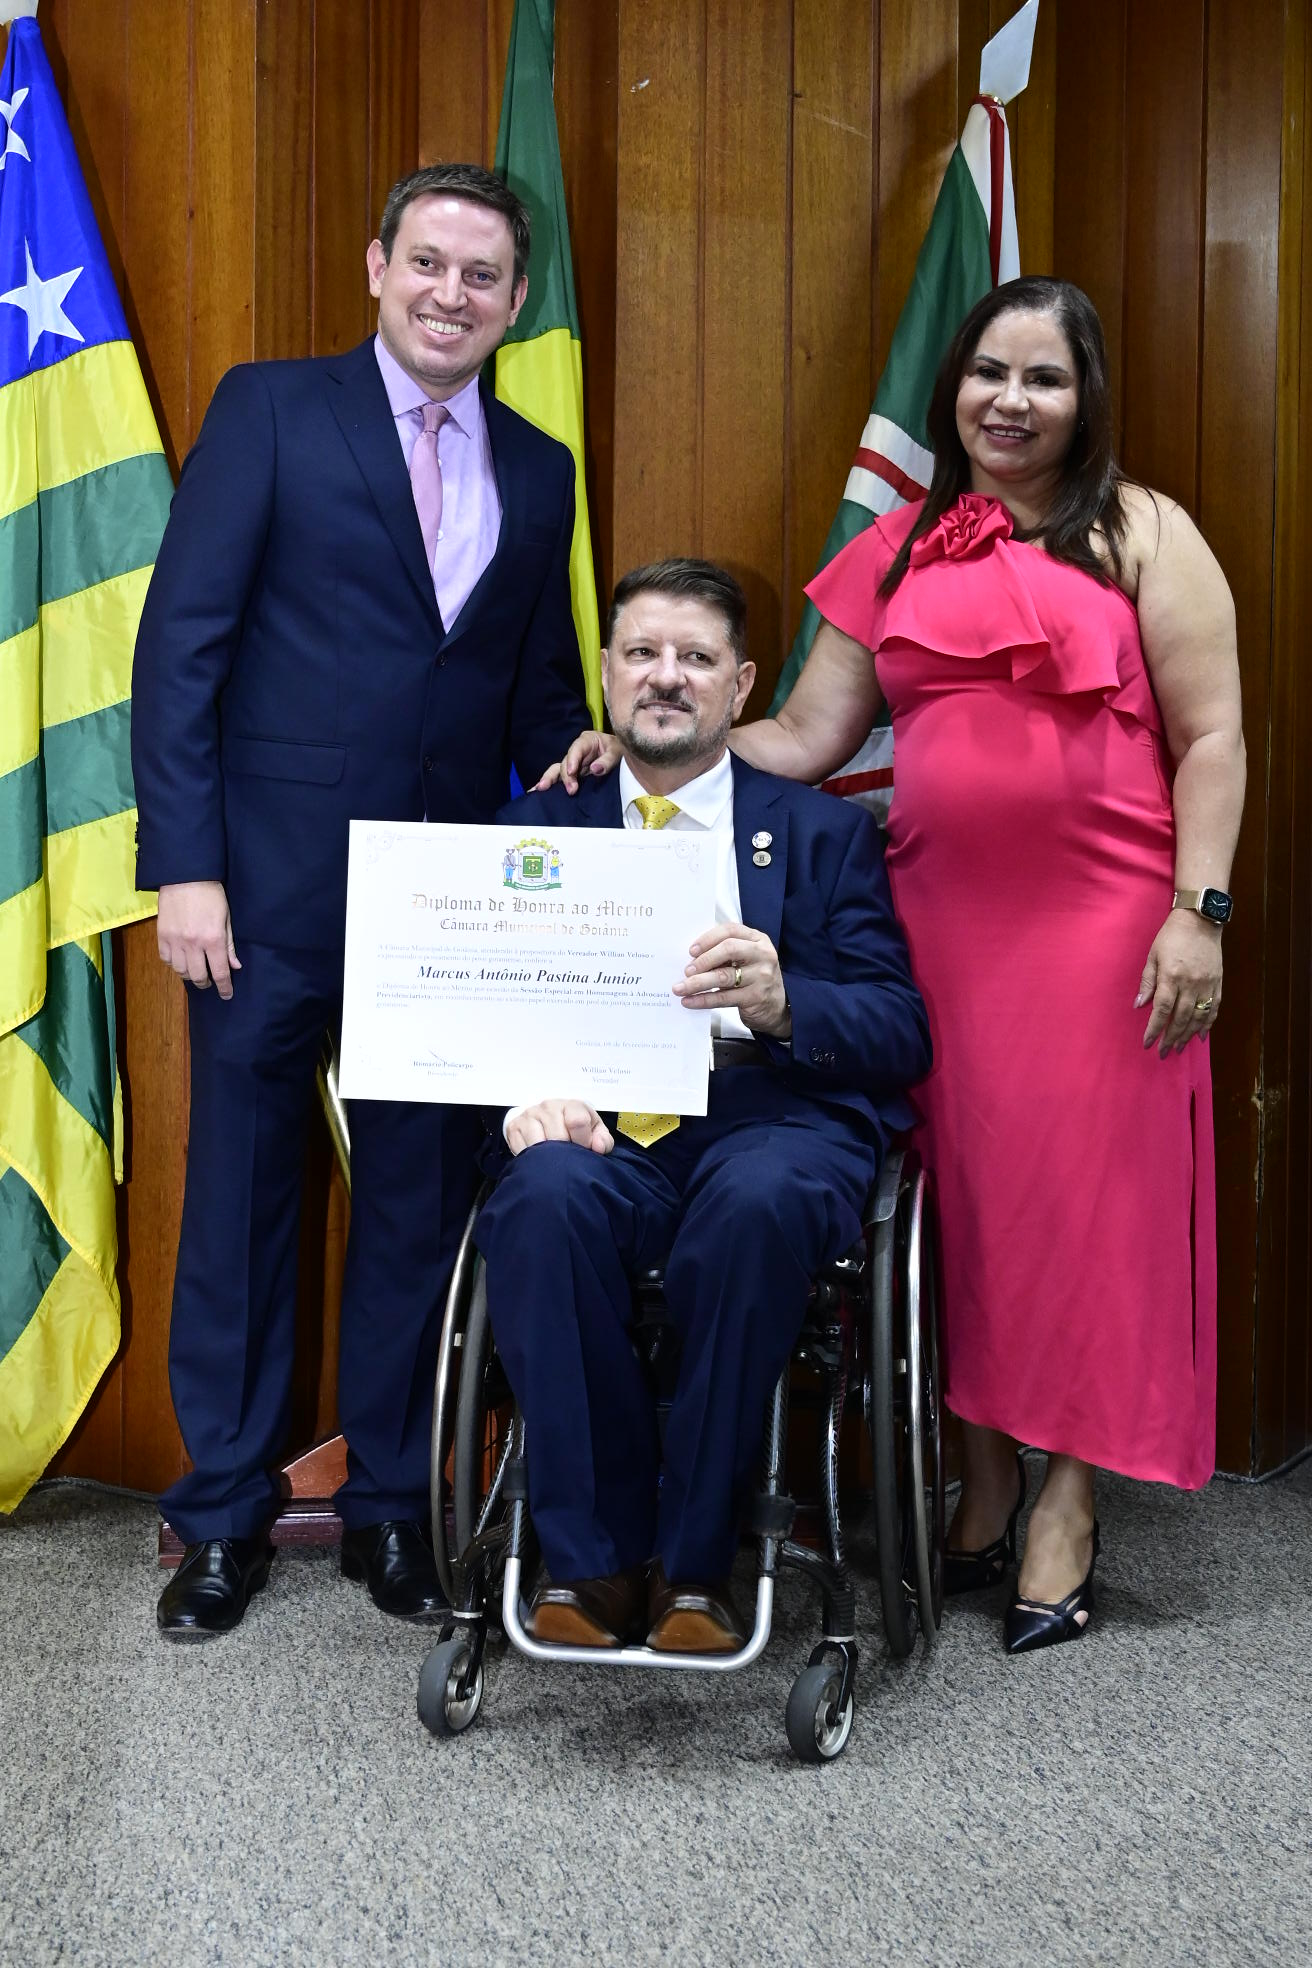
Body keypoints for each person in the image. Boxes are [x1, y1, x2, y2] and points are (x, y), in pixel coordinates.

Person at [550, 279, 1245, 1653]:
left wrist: (1200, 912)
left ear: (1085, 399)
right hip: (939, 931)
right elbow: (803, 737)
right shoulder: (899, 548)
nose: (1010, 401)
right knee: (968, 1206)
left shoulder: (1147, 531)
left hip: (1110, 927)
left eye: (1043, 378)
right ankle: (980, 1483)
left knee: (1089, 1215)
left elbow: (1213, 734)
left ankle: (1066, 1505)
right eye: (988, 372)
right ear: (953, 389)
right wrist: (639, 747)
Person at [132, 164, 593, 1639]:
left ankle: (395, 1502)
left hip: (448, 913)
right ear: (379, 266)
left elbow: (531, 686)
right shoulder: (271, 410)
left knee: (419, 1209)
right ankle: (221, 1515)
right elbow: (182, 648)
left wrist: (577, 754)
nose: (452, 294)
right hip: (263, 895)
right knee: (243, 1204)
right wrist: (186, 867)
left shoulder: (540, 468)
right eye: (429, 263)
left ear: (516, 302)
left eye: (483, 275)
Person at [476, 559, 930, 1651]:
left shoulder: (821, 835)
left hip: (774, 1119)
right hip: (603, 1128)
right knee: (539, 1199)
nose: (665, 677)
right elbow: (474, 1010)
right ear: (607, 673)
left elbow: (900, 1030)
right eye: (642, 653)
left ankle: (696, 1564)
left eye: (695, 657)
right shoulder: (536, 829)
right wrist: (519, 1098)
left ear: (741, 685)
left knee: (757, 1205)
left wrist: (785, 1002)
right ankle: (593, 1566)